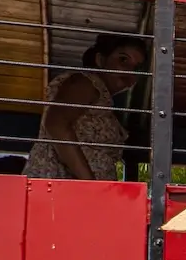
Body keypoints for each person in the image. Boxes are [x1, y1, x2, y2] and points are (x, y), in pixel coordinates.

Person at [23, 33, 147, 180]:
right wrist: (89, 183)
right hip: (58, 187)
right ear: (100, 60)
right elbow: (56, 124)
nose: (129, 70)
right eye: (123, 59)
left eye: (136, 67)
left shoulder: (104, 102)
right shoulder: (86, 82)